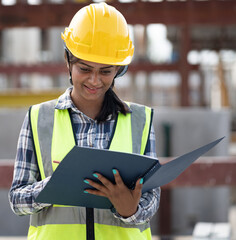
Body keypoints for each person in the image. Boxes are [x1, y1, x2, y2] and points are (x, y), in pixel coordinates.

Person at [9, 2, 160, 240]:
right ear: (68, 61)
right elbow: (17, 200)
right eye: (85, 68)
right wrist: (55, 186)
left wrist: (130, 209)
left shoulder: (140, 121)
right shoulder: (39, 119)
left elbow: (151, 199)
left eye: (105, 71)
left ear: (118, 70)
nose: (94, 80)